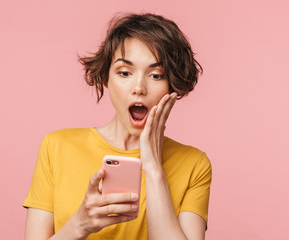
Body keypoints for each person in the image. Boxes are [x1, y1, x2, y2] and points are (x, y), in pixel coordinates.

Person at [23, 13, 212, 240]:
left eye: (156, 75)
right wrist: (79, 225)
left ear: (172, 86)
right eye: (125, 73)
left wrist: (153, 168)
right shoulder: (56, 147)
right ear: (106, 78)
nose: (139, 87)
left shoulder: (194, 165)